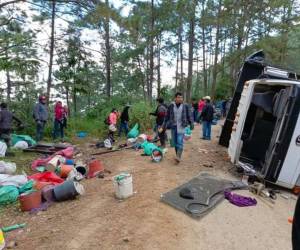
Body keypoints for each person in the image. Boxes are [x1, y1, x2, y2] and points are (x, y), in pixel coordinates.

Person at [164, 92, 193, 162]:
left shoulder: (185, 105)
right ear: (175, 98)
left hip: (182, 126)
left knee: (180, 141)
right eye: (179, 97)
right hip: (173, 126)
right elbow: (167, 116)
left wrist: (191, 123)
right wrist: (164, 125)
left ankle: (178, 156)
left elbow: (189, 115)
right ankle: (177, 155)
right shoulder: (171, 106)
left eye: (181, 97)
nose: (180, 99)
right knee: (175, 142)